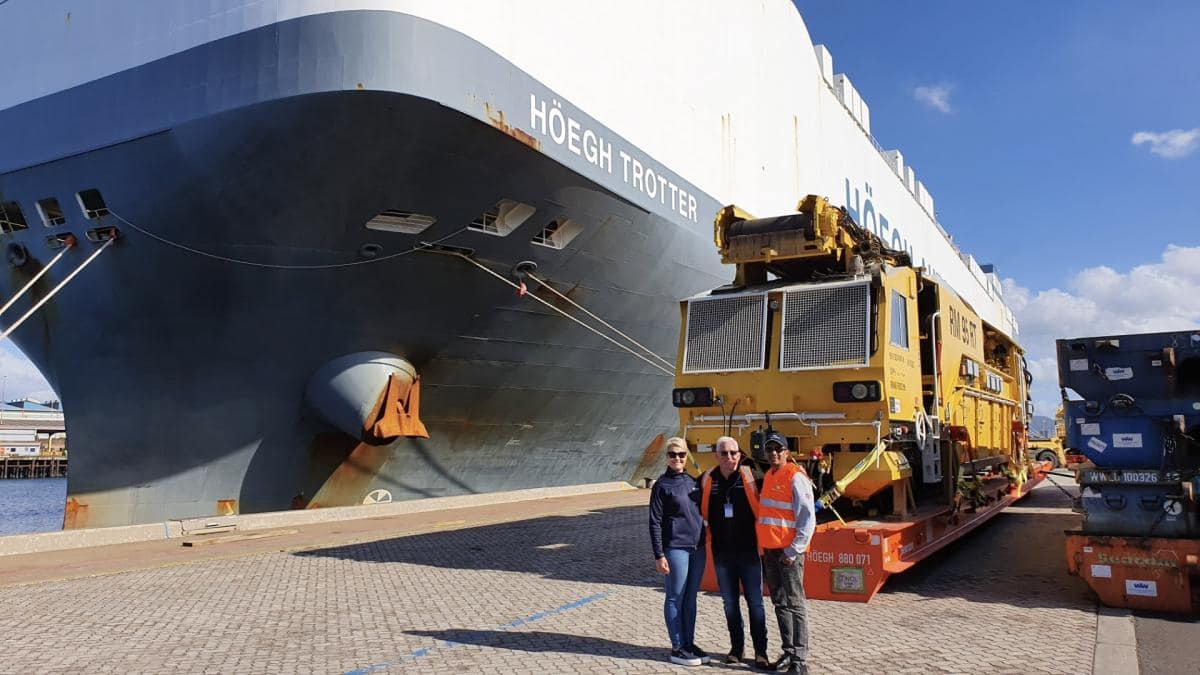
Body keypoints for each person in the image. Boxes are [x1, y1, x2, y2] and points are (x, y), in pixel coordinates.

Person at [700, 436, 770, 668]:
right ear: (716, 456)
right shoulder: (708, 479)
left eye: (733, 453)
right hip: (723, 555)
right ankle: (736, 650)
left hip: (749, 553)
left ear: (740, 455)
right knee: (730, 604)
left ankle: (761, 652)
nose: (729, 457)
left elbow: (776, 496)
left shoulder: (752, 477)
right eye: (724, 453)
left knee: (756, 604)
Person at [757, 432, 817, 675]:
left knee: (795, 603)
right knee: (780, 603)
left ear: (786, 451)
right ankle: (789, 651)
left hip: (788, 552)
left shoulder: (795, 476)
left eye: (778, 449)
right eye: (769, 449)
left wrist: (793, 550)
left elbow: (807, 518)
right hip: (770, 551)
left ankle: (799, 660)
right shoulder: (770, 476)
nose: (773, 453)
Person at [648, 436, 711, 667]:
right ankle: (677, 647)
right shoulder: (661, 486)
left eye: (681, 454)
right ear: (666, 457)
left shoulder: (693, 482)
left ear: (687, 457)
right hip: (675, 548)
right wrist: (659, 554)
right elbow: (654, 522)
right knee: (675, 596)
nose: (677, 458)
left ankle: (689, 643)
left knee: (690, 598)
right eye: (673, 454)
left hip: (697, 549)